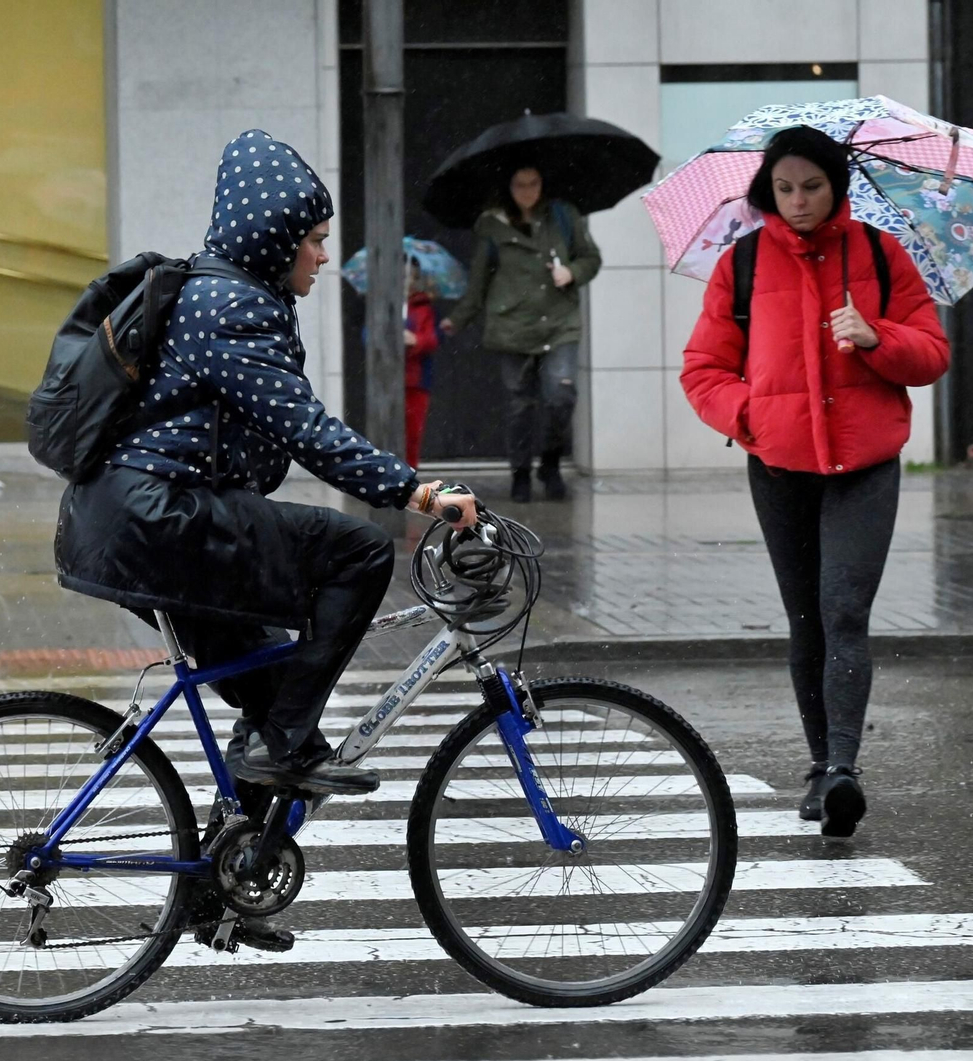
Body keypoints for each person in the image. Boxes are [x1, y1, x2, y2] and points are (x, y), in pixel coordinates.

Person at [55, 129, 479, 802]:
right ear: (273, 239)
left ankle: (220, 884)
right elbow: (305, 429)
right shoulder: (232, 308)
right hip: (159, 521)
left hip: (135, 522)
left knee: (276, 696)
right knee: (360, 553)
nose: (323, 253)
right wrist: (418, 492)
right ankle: (280, 744)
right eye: (314, 238)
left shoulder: (223, 293)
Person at [680, 126, 948, 838]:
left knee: (844, 611)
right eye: (784, 188)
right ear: (768, 189)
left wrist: (876, 337)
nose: (797, 202)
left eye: (812, 187)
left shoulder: (881, 255)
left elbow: (932, 353)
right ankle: (817, 765)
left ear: (839, 186)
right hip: (779, 466)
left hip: (865, 466)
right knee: (805, 617)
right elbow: (703, 368)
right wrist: (752, 417)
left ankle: (843, 770)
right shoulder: (739, 263)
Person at [441, 166, 600, 502]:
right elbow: (479, 279)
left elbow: (591, 258)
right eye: (520, 184)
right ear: (508, 187)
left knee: (561, 395)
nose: (528, 191)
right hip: (512, 326)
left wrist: (571, 271)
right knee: (520, 406)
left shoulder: (563, 216)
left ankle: (552, 462)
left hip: (559, 322)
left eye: (534, 183)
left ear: (543, 184)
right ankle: (521, 472)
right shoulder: (492, 224)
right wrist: (459, 318)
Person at [403, 256, 438, 468]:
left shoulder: (424, 307)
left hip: (416, 380)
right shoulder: (384, 305)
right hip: (389, 379)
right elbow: (368, 335)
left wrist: (415, 339)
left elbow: (432, 338)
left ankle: (410, 470)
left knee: (413, 431)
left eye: (409, 277)